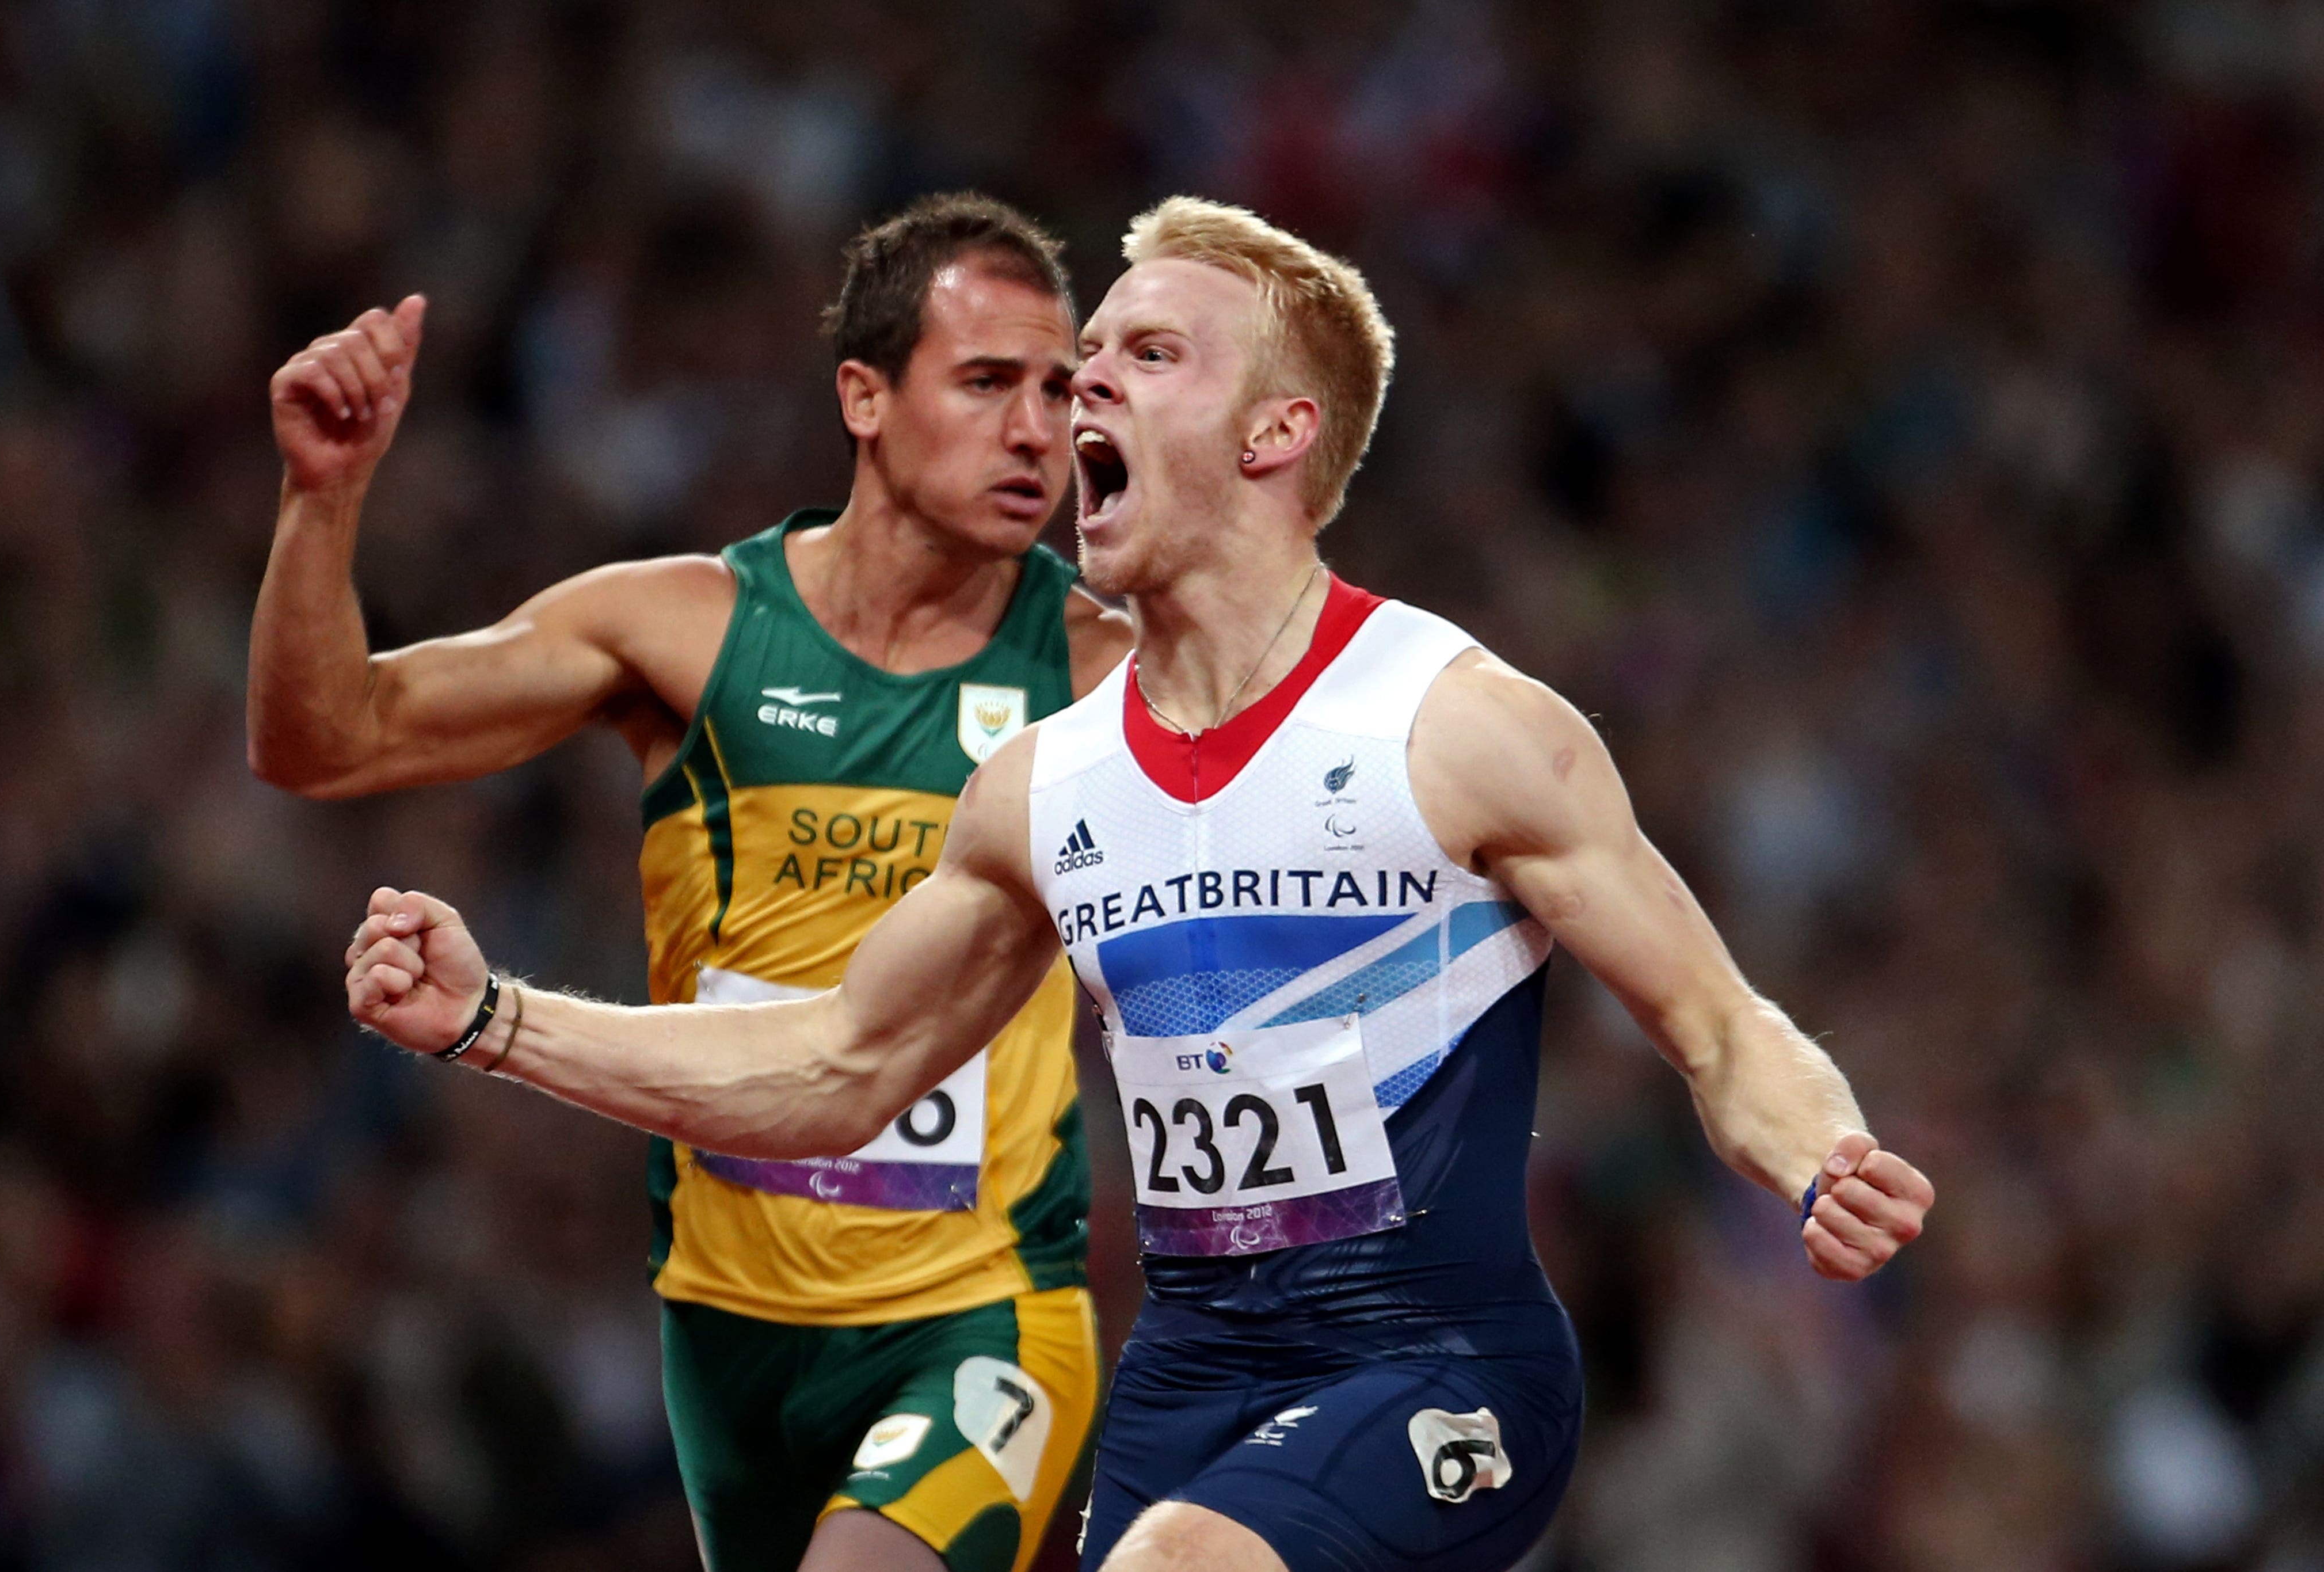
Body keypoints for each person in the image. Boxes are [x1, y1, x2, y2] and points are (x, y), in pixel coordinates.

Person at [338, 196, 1936, 1572]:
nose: (1078, 378)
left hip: (1434, 1363)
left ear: (1276, 432)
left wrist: (1826, 1153)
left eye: (1143, 354)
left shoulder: (1457, 727)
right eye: (1084, 350)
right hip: (1182, 1383)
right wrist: (497, 1017)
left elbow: (1724, 1029)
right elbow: (835, 1064)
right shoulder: (1045, 784)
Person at [252, 193, 1131, 1572]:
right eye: (985, 384)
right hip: (727, 1330)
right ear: (863, 394)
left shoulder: (1100, 675)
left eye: (1057, 391)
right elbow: (322, 741)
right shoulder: (683, 632)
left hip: (984, 1311)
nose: (1037, 432)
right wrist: (323, 499)